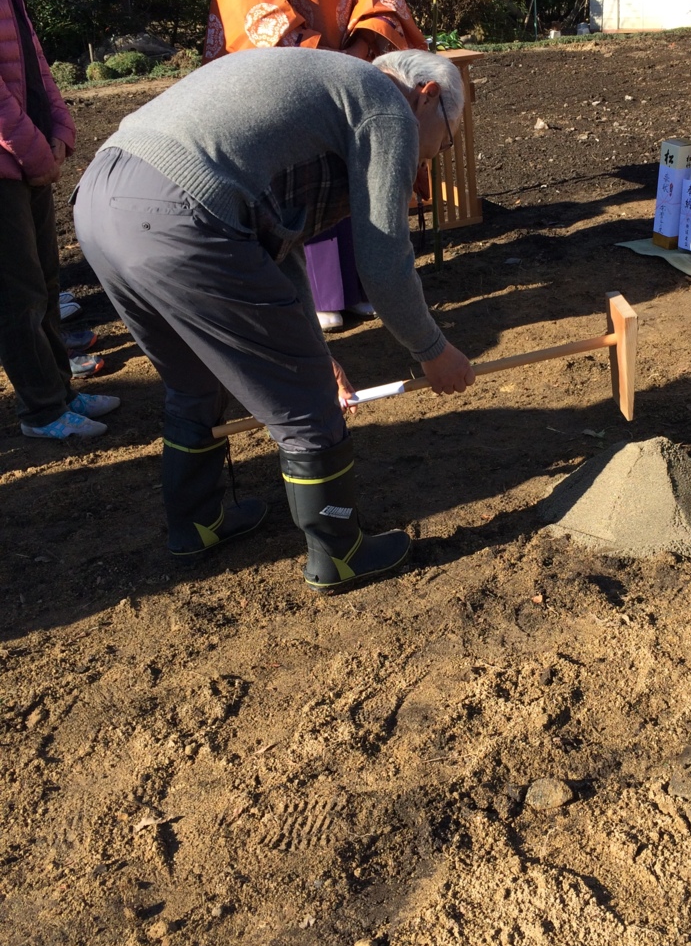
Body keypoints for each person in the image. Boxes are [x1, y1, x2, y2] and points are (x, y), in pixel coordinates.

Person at [72, 47, 475, 591]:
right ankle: (340, 554)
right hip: (182, 212)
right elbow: (383, 262)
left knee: (196, 378)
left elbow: (272, 250)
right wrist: (433, 350)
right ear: (426, 96)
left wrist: (316, 350)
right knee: (306, 404)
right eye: (442, 142)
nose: (429, 160)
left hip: (102, 199)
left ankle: (198, 525)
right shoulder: (387, 107)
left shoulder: (325, 92)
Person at [204, 0, 428, 332]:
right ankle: (322, 293)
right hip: (286, 66)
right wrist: (319, 64)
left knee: (359, 160)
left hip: (352, 52)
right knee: (303, 172)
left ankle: (363, 283)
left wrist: (360, 50)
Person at [0, 0, 118, 440]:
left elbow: (30, 54)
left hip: (26, 156)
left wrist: (62, 124)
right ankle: (42, 409)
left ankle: (61, 390)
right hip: (6, 162)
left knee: (46, 281)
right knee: (17, 292)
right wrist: (29, 147)